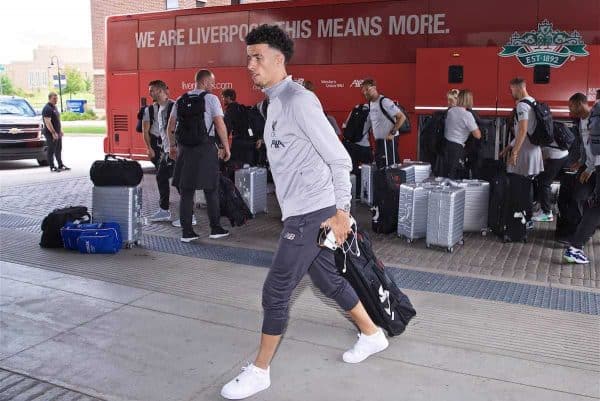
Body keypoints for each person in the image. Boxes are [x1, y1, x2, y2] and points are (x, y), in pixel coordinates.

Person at [220, 25, 388, 400]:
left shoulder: (298, 100)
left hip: (313, 213)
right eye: (248, 57)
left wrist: (343, 212)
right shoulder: (274, 102)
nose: (250, 64)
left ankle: (260, 371)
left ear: (279, 60)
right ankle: (372, 334)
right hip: (301, 210)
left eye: (257, 57)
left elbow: (339, 158)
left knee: (276, 289)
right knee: (326, 280)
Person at [167, 69, 231, 242]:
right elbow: (219, 123)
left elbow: (171, 125)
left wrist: (172, 146)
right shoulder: (211, 99)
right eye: (212, 82)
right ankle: (215, 228)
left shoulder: (181, 99)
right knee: (211, 190)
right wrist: (226, 146)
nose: (214, 85)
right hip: (205, 148)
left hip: (185, 149)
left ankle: (187, 232)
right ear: (205, 82)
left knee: (186, 192)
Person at [562, 92, 600, 264]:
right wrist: (584, 163)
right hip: (592, 167)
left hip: (594, 167)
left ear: (579, 104)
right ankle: (576, 243)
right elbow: (588, 147)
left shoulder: (594, 117)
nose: (569, 110)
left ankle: (576, 243)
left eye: (571, 106)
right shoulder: (586, 121)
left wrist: (588, 166)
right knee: (584, 200)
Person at [143, 80, 176, 222]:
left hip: (174, 151)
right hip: (166, 150)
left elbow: (176, 129)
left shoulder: (174, 106)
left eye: (152, 90)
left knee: (180, 182)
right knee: (161, 177)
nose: (150, 93)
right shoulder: (156, 108)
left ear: (160, 91)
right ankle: (164, 210)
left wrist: (174, 148)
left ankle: (190, 215)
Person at [502, 78, 544, 178]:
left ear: (518, 88)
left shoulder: (522, 105)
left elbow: (523, 129)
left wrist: (514, 152)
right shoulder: (532, 101)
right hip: (533, 149)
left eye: (512, 90)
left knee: (520, 185)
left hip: (525, 151)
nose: (511, 93)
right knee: (527, 184)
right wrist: (509, 147)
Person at [360, 79, 406, 168]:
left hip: (388, 141)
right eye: (363, 91)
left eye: (367, 90)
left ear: (374, 88)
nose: (365, 93)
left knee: (390, 169)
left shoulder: (384, 101)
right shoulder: (370, 103)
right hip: (379, 142)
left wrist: (392, 133)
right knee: (380, 167)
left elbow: (402, 117)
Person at [440, 89, 481, 179]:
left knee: (447, 175)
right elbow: (477, 135)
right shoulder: (467, 115)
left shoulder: (451, 111)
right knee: (456, 177)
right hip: (457, 149)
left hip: (446, 146)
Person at [222, 88, 256, 167]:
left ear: (228, 98)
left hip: (239, 143)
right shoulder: (241, 108)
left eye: (223, 97)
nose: (222, 99)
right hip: (250, 142)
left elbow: (226, 128)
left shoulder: (230, 109)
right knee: (248, 168)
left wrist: (222, 145)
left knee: (235, 167)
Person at [41, 92, 69, 172]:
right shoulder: (47, 108)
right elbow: (47, 122)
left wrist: (60, 131)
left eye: (56, 98)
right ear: (49, 98)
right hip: (50, 133)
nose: (56, 100)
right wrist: (53, 133)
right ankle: (52, 166)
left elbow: (57, 120)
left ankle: (60, 165)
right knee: (51, 149)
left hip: (57, 132)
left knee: (58, 149)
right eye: (54, 98)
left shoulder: (54, 107)